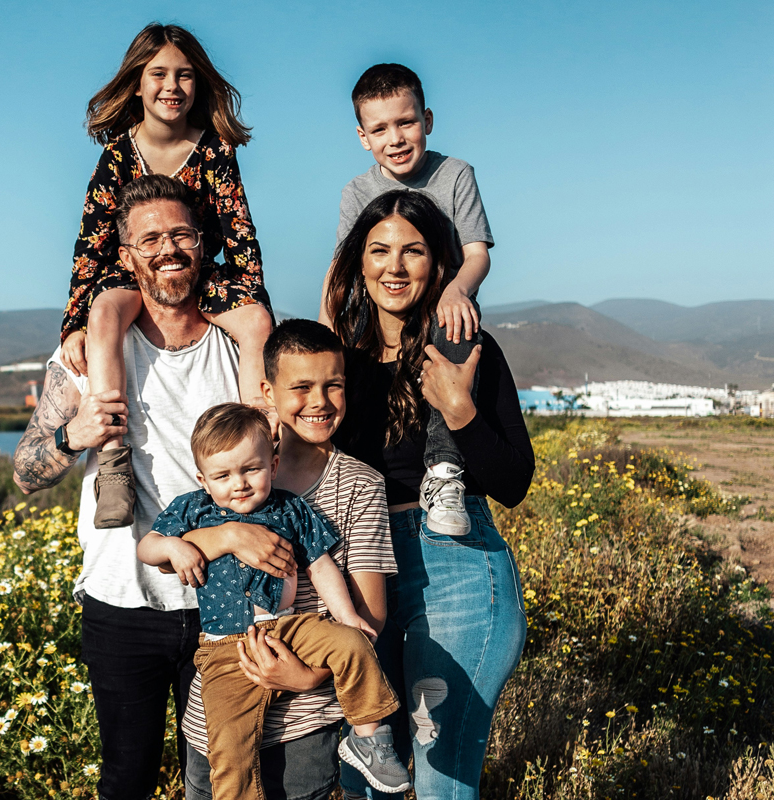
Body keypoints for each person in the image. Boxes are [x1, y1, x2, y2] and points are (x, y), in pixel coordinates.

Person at [14, 174, 261, 800]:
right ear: (127, 257)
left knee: (223, 779)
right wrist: (74, 435)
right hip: (122, 601)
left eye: (180, 234)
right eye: (149, 239)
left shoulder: (237, 347)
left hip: (225, 600)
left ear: (202, 245)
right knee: (126, 778)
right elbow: (24, 472)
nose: (167, 249)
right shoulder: (86, 358)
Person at [324, 189, 534, 800]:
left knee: (443, 775)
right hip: (359, 562)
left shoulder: (469, 349)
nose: (394, 266)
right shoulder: (337, 361)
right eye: (379, 250)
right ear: (357, 263)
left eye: (412, 251)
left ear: (438, 264)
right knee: (365, 772)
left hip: (458, 565)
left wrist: (460, 410)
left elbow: (514, 483)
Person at [170, 319, 402, 800]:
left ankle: (371, 743)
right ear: (267, 391)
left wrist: (304, 676)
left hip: (306, 720)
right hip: (214, 718)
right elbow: (167, 553)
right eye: (300, 387)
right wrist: (232, 536)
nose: (319, 401)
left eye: (332, 385)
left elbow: (369, 616)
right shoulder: (226, 475)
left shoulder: (360, 484)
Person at [60, 23, 274, 530]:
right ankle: (114, 463)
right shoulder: (116, 155)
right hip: (131, 273)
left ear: (198, 84)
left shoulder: (216, 150)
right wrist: (73, 323)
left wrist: (253, 302)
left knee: (257, 324)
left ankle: (263, 447)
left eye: (184, 75)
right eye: (158, 74)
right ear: (137, 83)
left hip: (203, 273)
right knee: (106, 310)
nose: (172, 86)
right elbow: (90, 244)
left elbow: (239, 232)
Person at [320, 63, 494, 539]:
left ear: (428, 120)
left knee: (455, 325)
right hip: (379, 318)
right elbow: (341, 269)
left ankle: (443, 472)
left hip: (442, 312)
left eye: (406, 122)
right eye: (380, 128)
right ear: (362, 137)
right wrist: (324, 333)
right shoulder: (357, 191)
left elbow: (477, 255)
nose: (394, 138)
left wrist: (458, 288)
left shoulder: (455, 174)